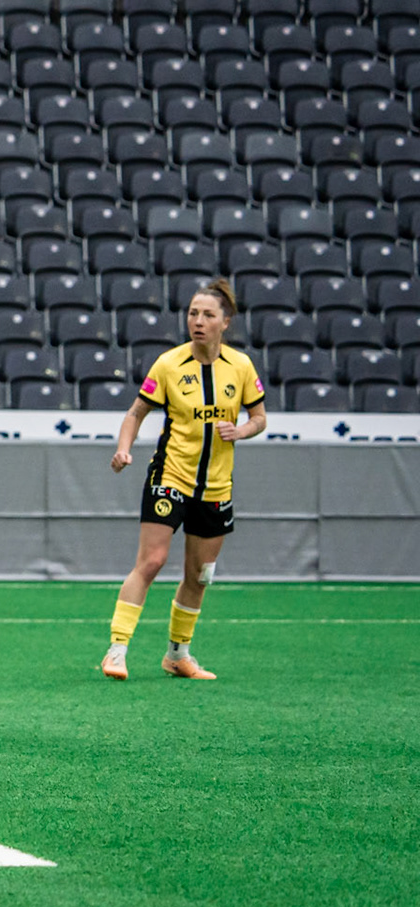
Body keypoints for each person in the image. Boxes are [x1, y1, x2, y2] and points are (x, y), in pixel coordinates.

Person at [103, 279, 267, 681]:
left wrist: (242, 431)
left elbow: (259, 418)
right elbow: (136, 412)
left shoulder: (241, 367)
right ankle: (117, 649)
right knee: (153, 561)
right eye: (193, 313)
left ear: (225, 322)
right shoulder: (170, 364)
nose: (198, 321)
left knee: (199, 575)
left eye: (208, 314)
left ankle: (178, 655)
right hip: (170, 476)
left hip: (215, 487)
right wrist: (125, 447)